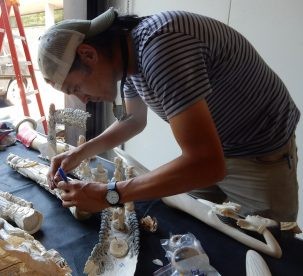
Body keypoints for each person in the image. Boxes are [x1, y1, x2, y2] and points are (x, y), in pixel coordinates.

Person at [37, 7, 300, 224]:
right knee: (184, 225)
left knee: (267, 248)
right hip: (218, 150)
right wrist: (79, 153)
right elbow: (132, 120)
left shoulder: (161, 49)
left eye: (76, 88)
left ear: (89, 54)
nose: (82, 98)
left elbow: (207, 164)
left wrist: (110, 195)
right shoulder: (127, 56)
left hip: (259, 158)